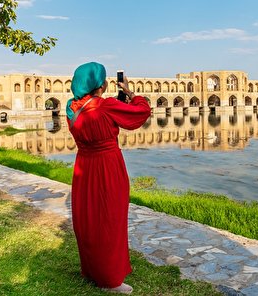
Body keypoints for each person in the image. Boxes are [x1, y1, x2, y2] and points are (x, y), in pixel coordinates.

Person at [66, 62, 151, 294]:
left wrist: (113, 100)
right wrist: (131, 94)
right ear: (101, 84)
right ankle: (110, 280)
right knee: (109, 219)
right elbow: (140, 113)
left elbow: (98, 114)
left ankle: (92, 270)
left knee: (90, 220)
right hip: (107, 167)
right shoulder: (106, 106)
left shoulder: (72, 108)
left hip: (85, 166)